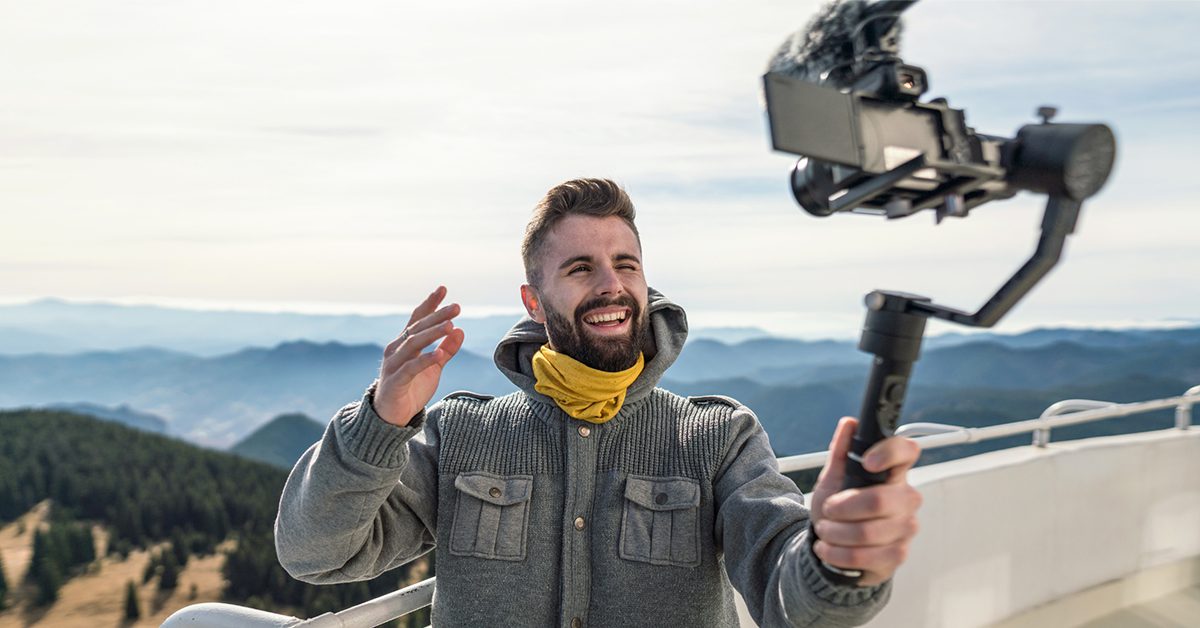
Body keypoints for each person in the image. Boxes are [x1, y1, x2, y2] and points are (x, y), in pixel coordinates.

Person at [275, 178, 922, 627]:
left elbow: (794, 605)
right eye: (581, 268)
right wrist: (381, 422)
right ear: (534, 301)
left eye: (627, 264)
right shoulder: (460, 434)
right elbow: (317, 553)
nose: (612, 285)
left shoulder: (718, 439)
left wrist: (837, 562)